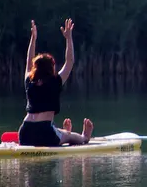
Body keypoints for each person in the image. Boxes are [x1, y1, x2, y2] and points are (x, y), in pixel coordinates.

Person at [18, 19, 94, 147]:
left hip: (25, 132)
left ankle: (62, 133)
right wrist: (68, 38)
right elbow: (70, 61)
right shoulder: (54, 81)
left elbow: (28, 61)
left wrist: (33, 38)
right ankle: (84, 137)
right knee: (69, 136)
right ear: (51, 68)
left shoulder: (28, 81)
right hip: (45, 132)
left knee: (59, 132)